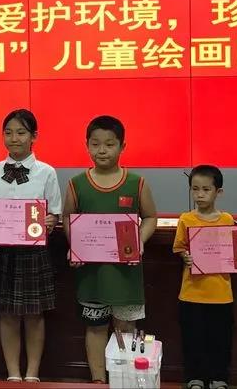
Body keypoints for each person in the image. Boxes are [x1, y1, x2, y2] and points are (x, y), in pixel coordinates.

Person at [62, 115, 158, 384]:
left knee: (126, 327)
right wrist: (75, 246)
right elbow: (68, 218)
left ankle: (124, 380)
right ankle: (98, 380)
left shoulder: (136, 182)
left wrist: (139, 241)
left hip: (126, 272)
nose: (102, 150)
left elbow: (150, 217)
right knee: (95, 327)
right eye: (95, 144)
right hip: (91, 272)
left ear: (122, 146)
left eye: (109, 144)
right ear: (87, 146)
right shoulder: (77, 183)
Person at [0, 109, 62, 383]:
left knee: (34, 315)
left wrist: (51, 220)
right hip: (1, 252)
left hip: (34, 253)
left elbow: (55, 214)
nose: (14, 138)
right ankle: (13, 374)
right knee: (7, 315)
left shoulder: (46, 172)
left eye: (21, 132)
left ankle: (32, 374)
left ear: (34, 136)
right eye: (8, 133)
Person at [172, 164, 237, 389]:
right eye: (195, 189)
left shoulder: (227, 219)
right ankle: (194, 378)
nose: (199, 195)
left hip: (221, 294)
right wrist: (185, 256)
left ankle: (219, 378)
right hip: (191, 293)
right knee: (193, 339)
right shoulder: (186, 219)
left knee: (220, 340)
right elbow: (179, 247)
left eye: (206, 189)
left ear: (218, 192)